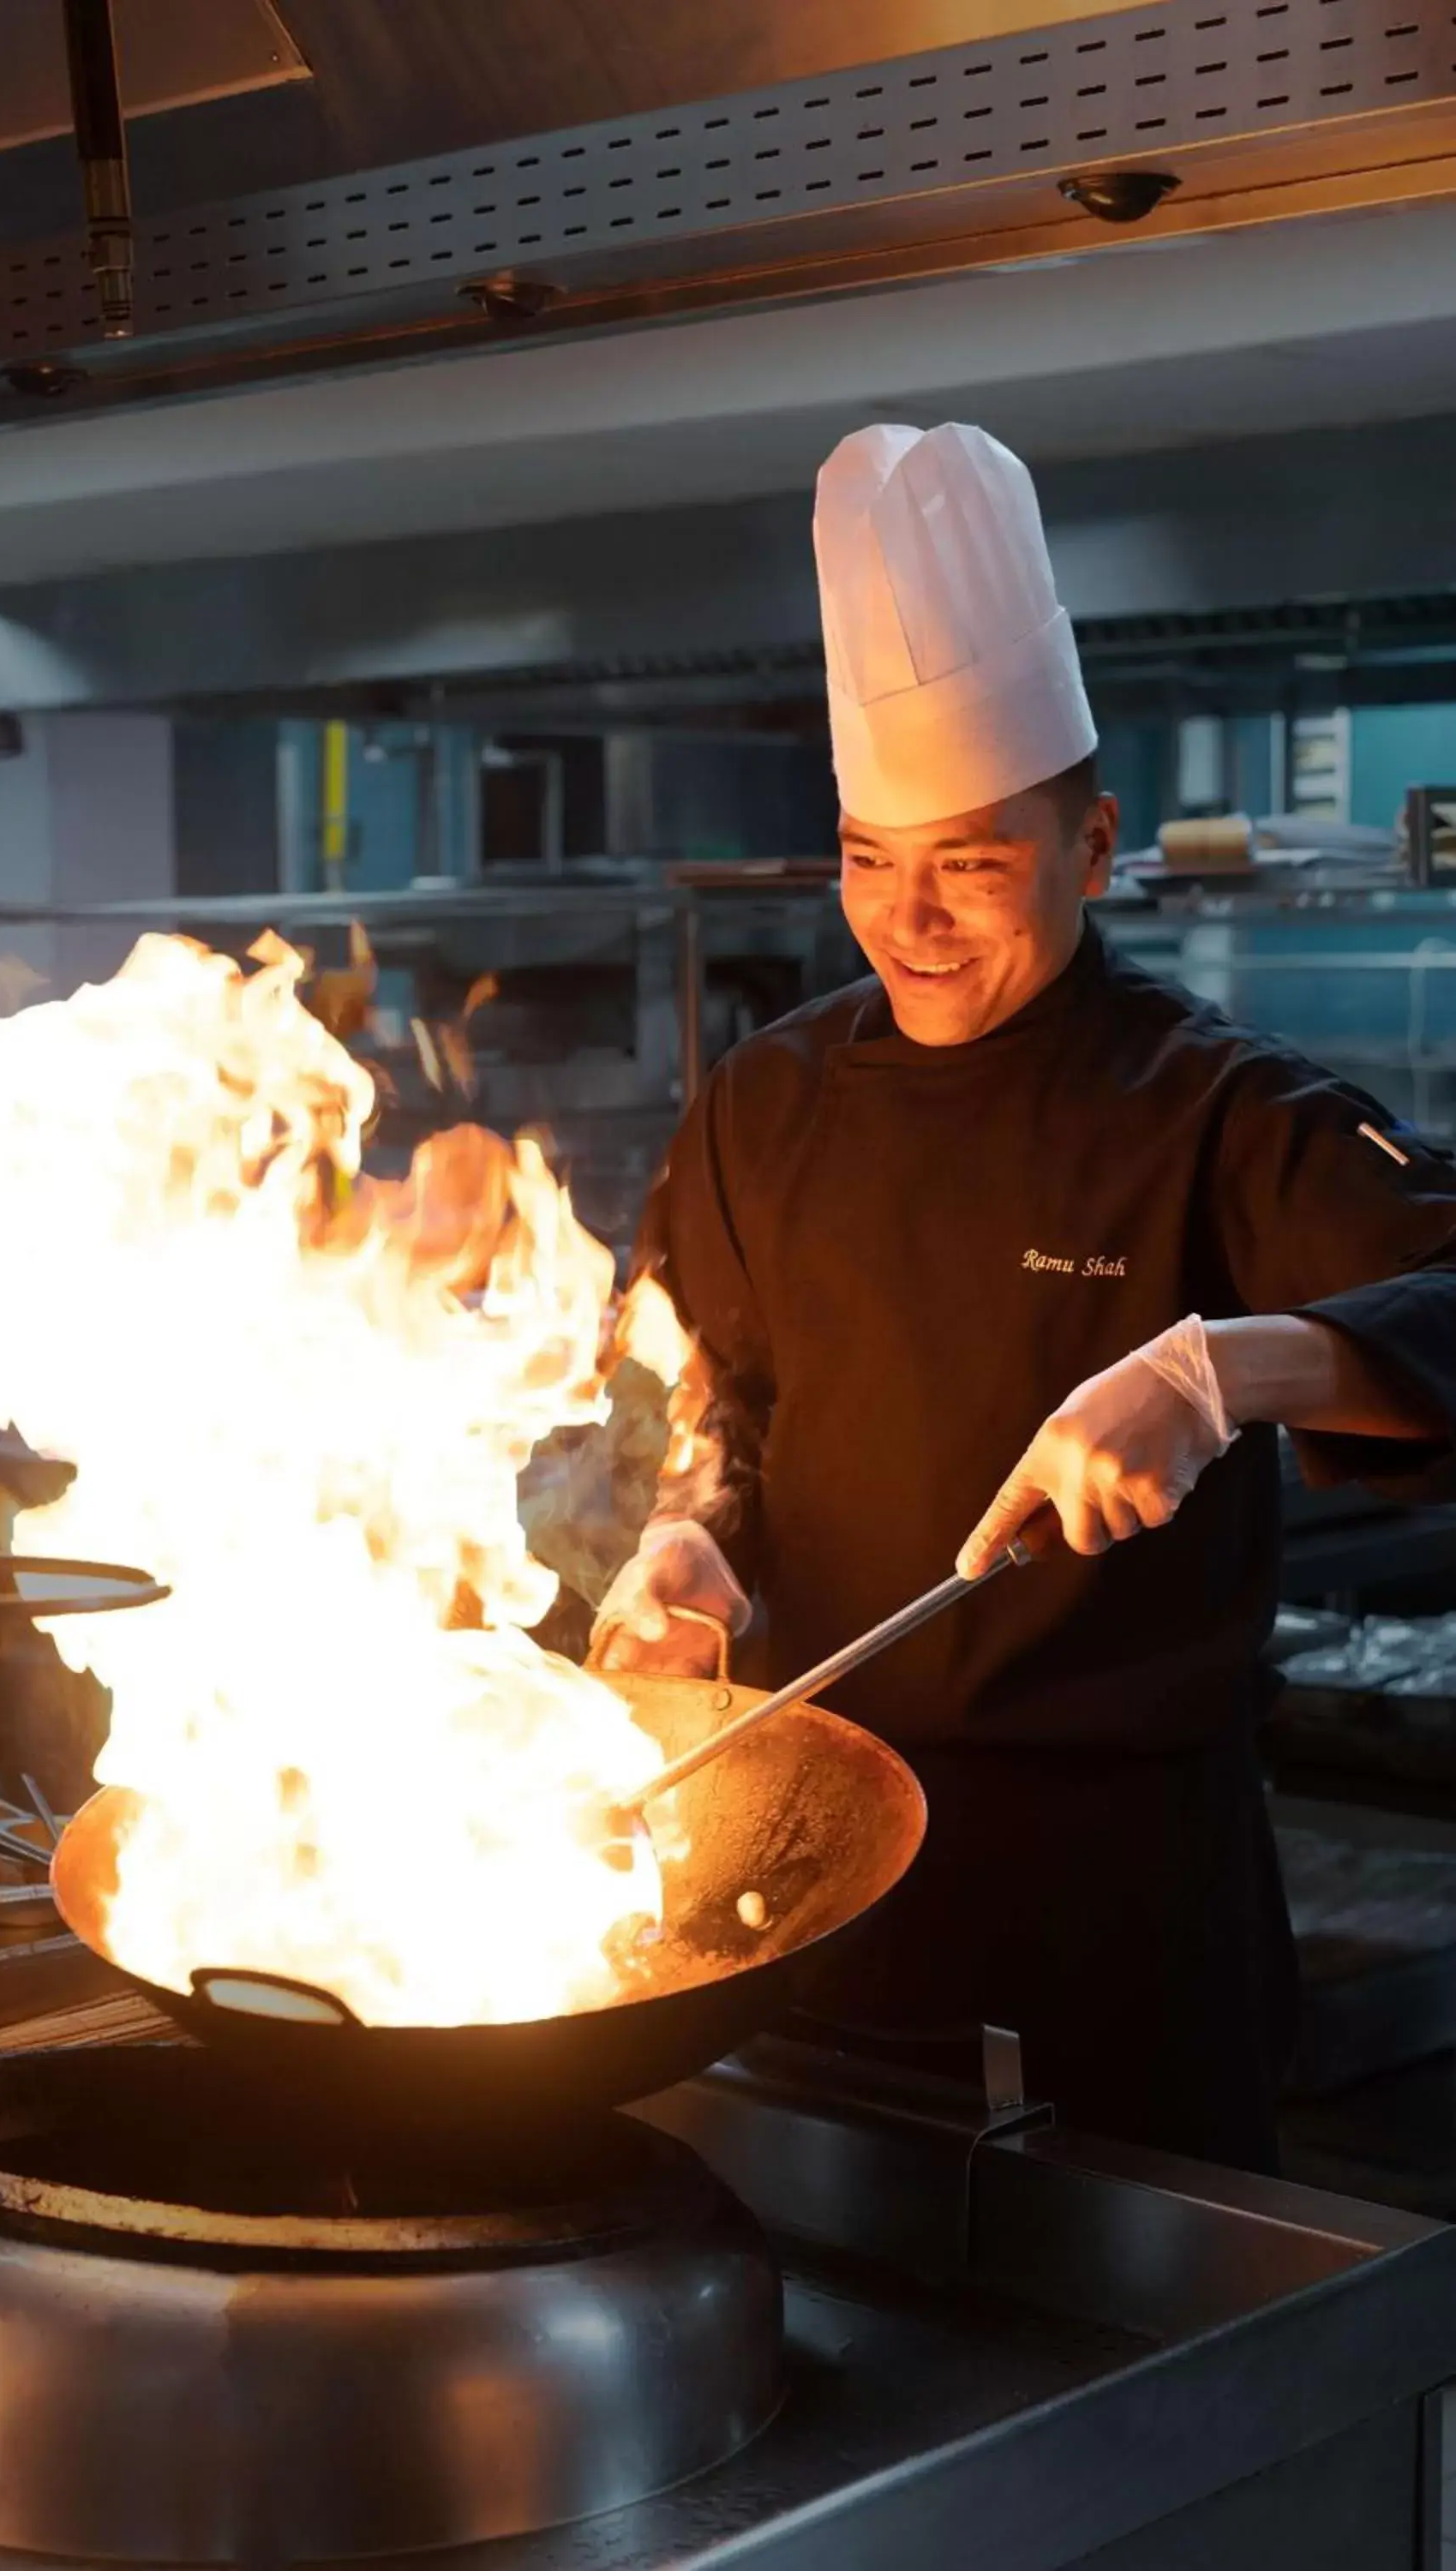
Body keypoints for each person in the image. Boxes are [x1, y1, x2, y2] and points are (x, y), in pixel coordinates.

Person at [595, 421, 1456, 2172]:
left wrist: (1225, 1371)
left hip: (1119, 1911)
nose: (907, 920)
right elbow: (704, 1400)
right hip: (808, 1870)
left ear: (1093, 838)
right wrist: (691, 1537)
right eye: (865, 857)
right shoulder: (765, 1100)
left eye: (971, 863)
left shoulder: (1211, 1103)